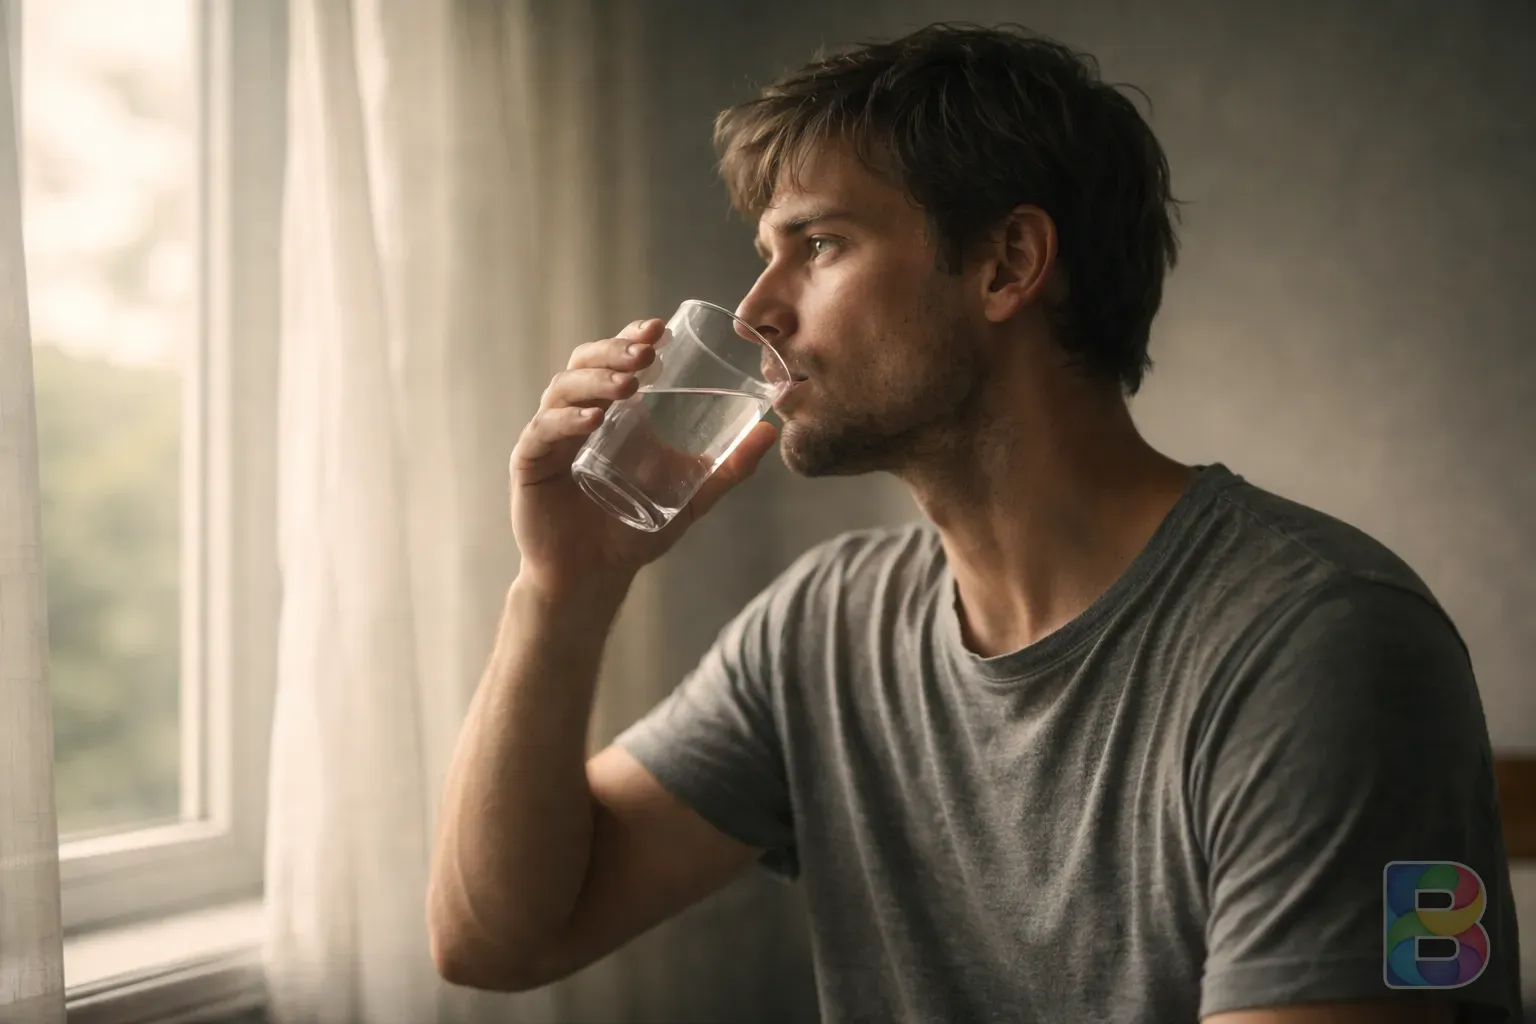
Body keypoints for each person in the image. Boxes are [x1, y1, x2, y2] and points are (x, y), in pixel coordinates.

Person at [427, 22, 1521, 1023]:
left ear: (1006, 264)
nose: (757, 309)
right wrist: (563, 590)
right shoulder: (821, 628)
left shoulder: (1325, 645)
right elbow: (495, 938)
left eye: (819, 244)